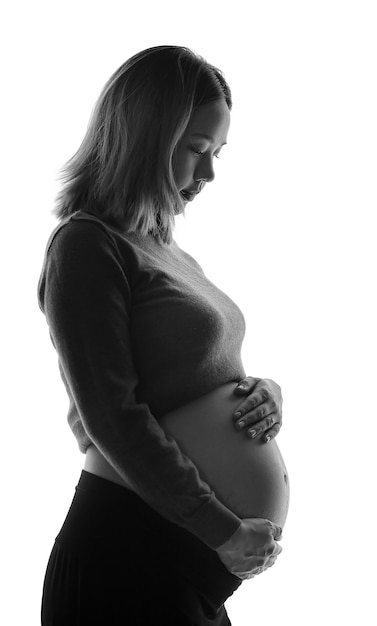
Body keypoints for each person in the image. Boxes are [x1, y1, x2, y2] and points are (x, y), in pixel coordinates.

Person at [38, 45, 288, 626]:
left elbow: (201, 374)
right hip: (127, 555)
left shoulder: (170, 253)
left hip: (181, 564)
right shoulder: (86, 245)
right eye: (196, 150)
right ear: (143, 137)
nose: (209, 174)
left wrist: (266, 391)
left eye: (217, 152)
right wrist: (221, 529)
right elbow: (111, 414)